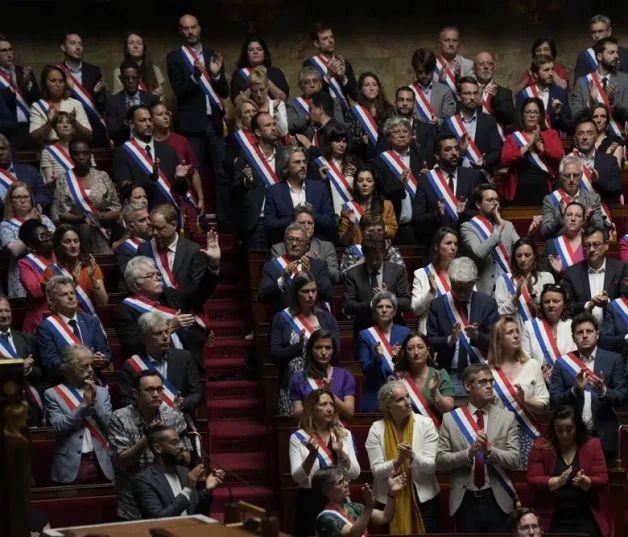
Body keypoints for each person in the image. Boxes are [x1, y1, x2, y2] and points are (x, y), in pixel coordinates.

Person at [436, 363, 520, 533]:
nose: (489, 386)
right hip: (465, 500)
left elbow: (514, 460)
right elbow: (440, 462)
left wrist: (489, 452)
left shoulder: (507, 418)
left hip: (498, 499)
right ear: (467, 386)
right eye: (482, 382)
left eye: (491, 381)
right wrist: (468, 454)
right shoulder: (451, 419)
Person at [114, 235, 220, 367]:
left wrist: (213, 265)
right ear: (136, 285)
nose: (158, 278)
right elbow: (132, 346)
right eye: (150, 275)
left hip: (185, 365)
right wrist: (169, 328)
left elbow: (198, 295)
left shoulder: (169, 295)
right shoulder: (125, 310)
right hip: (150, 370)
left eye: (157, 274)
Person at [166, 14, 231, 231]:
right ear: (180, 32)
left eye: (193, 27)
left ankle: (223, 220)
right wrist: (195, 76)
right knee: (195, 173)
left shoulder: (213, 54)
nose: (190, 32)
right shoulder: (175, 57)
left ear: (199, 29)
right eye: (186, 29)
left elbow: (225, 92)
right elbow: (179, 92)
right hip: (191, 126)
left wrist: (216, 75)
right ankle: (199, 220)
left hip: (213, 123)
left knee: (222, 172)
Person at [108, 370, 193, 521]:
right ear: (135, 393)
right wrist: (146, 440)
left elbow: (186, 458)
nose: (155, 394)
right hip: (132, 504)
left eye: (159, 389)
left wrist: (170, 448)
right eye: (149, 390)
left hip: (169, 499)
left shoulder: (174, 416)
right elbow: (119, 463)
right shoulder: (120, 418)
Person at [550, 312, 628, 465]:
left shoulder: (614, 360)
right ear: (573, 338)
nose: (584, 336)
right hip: (572, 440)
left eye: (589, 331)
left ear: (597, 335)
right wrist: (575, 390)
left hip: (605, 438)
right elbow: (554, 400)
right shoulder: (562, 363)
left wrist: (603, 392)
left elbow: (622, 397)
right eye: (580, 332)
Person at [365, 380, 440, 533]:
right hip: (388, 500)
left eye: (407, 396)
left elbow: (432, 466)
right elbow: (377, 471)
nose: (407, 402)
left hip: (424, 500)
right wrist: (397, 461)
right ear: (388, 406)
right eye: (400, 399)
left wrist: (411, 455)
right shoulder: (376, 429)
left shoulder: (426, 424)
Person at [527, 405, 610, 537]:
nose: (564, 435)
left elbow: (602, 479)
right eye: (559, 430)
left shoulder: (592, 445)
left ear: (577, 427)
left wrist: (586, 481)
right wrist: (557, 481)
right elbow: (532, 480)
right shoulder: (541, 446)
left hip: (585, 514)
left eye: (569, 429)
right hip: (552, 516)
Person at [289, 389, 360, 536]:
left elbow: (354, 473)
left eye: (331, 405)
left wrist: (341, 452)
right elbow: (297, 478)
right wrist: (311, 456)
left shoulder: (344, 434)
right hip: (310, 500)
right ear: (312, 408)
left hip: (339, 499)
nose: (329, 409)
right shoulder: (298, 437)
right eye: (323, 405)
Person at [270, 271, 339, 416]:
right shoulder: (282, 318)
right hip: (291, 388)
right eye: (305, 291)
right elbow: (274, 354)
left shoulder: (327, 319)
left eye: (314, 291)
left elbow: (337, 355)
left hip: (321, 388)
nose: (311, 295)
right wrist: (298, 347)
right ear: (296, 293)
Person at [427, 257, 499, 394]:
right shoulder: (438, 305)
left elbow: (497, 342)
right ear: (451, 282)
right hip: (449, 374)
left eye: (466, 289)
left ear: (473, 283)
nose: (461, 293)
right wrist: (450, 340)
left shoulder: (488, 303)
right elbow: (430, 341)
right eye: (457, 288)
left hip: (481, 375)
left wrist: (477, 336)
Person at [43, 344, 113, 484]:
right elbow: (59, 427)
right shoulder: (53, 394)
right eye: (84, 366)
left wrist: (96, 402)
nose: (90, 370)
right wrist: (83, 405)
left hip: (101, 462)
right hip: (70, 465)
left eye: (91, 365)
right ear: (69, 368)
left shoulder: (102, 392)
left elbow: (111, 426)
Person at [487, 317, 549, 468]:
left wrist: (525, 401)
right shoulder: (486, 370)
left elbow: (544, 405)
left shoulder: (532, 365)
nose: (516, 336)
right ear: (499, 339)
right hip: (498, 435)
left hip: (527, 432)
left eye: (517, 331)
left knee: (526, 483)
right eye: (509, 332)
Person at [460, 183, 540, 295]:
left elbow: (520, 249)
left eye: (497, 199)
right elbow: (479, 253)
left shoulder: (508, 225)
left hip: (510, 284)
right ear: (478, 204)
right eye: (490, 200)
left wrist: (530, 234)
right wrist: (499, 227)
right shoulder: (468, 227)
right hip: (486, 289)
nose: (495, 203)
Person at [132, 425, 224, 519]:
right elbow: (158, 518)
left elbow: (199, 514)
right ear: (158, 448)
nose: (181, 446)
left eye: (179, 441)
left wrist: (207, 491)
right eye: (174, 443)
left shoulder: (184, 472)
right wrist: (187, 489)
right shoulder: (143, 479)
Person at [120, 311, 202, 413]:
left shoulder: (185, 357)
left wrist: (179, 404)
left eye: (167, 331)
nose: (166, 337)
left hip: (181, 419)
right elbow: (127, 400)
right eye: (158, 333)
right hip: (147, 424)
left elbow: (197, 395)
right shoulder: (131, 365)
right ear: (144, 338)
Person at [111, 104, 191, 209]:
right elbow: (126, 189)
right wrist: (152, 178)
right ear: (131, 124)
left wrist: (180, 179)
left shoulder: (168, 151)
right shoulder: (122, 152)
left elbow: (181, 191)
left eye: (150, 120)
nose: (148, 124)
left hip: (169, 214)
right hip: (142, 215)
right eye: (143, 120)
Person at [344, 235, 410, 355]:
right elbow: (348, 306)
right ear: (363, 253)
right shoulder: (353, 274)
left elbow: (406, 303)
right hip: (365, 334)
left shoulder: (397, 271)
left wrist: (389, 297)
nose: (374, 262)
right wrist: (371, 304)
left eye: (378, 258)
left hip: (394, 333)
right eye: (370, 258)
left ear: (384, 253)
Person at [413, 134, 485, 243]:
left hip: (468, 244)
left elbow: (485, 213)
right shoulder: (426, 180)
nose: (454, 153)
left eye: (456, 148)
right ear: (437, 155)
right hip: (437, 244)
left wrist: (464, 213)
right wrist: (436, 214)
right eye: (448, 150)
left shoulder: (473, 176)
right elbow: (417, 219)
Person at [54, 138, 121, 254]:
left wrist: (100, 216)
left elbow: (117, 209)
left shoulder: (102, 176)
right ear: (70, 155)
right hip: (76, 236)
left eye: (85, 153)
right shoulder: (63, 179)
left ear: (90, 155)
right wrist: (82, 218)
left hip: (102, 233)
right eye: (76, 153)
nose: (81, 157)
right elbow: (62, 214)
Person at [37, 276, 110, 382]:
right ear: (52, 301)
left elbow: (106, 353)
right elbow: (50, 362)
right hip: (66, 388)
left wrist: (101, 360)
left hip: (94, 382)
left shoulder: (91, 321)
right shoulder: (46, 327)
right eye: (64, 294)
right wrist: (82, 363)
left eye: (72, 293)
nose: (70, 297)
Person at [264, 146, 336, 245]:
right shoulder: (274, 191)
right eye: (297, 162)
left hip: (316, 246)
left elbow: (331, 221)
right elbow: (269, 225)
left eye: (304, 162)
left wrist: (312, 214)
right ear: (285, 168)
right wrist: (294, 217)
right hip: (285, 246)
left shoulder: (319, 188)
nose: (302, 165)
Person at [371, 116, 426, 244]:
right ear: (389, 137)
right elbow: (380, 194)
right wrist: (399, 186)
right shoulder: (379, 162)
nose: (401, 135)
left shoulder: (422, 156)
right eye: (396, 132)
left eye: (405, 131)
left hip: (420, 227)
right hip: (393, 226)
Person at [233, 111, 283, 249]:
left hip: (282, 220)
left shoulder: (285, 155)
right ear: (258, 132)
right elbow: (235, 190)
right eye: (268, 125)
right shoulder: (247, 156)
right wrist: (246, 182)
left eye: (274, 124)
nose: (273, 128)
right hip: (257, 222)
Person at [500, 97, 563, 205]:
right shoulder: (513, 137)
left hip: (544, 186)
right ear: (522, 115)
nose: (532, 115)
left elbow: (558, 155)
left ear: (540, 115)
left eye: (535, 112)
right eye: (528, 112)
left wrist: (538, 144)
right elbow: (505, 159)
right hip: (519, 187)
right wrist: (528, 145)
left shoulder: (551, 134)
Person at [258, 223, 332, 313]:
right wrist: (283, 279)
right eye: (290, 239)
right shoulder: (271, 267)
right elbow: (262, 297)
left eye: (299, 241)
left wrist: (310, 274)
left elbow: (328, 295)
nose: (294, 244)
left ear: (307, 245)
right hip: (285, 322)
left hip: (313, 320)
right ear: (284, 242)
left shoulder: (319, 265)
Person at [312, 466, 404, 537]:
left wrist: (392, 493)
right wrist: (368, 506)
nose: (346, 483)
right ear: (326, 491)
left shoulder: (354, 507)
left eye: (345, 479)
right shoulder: (326, 518)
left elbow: (385, 517)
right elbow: (353, 535)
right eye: (340, 482)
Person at [357, 291, 411, 412]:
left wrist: (399, 358)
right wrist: (377, 358)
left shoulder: (405, 333)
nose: (384, 310)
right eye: (380, 307)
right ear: (375, 311)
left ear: (394, 311)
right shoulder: (365, 335)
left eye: (388, 307)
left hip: (401, 391)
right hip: (375, 393)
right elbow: (365, 370)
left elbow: (412, 367)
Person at [150, 102, 205, 217]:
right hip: (160, 198)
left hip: (183, 197)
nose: (165, 117)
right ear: (151, 120)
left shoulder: (181, 141)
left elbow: (194, 172)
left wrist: (201, 198)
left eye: (167, 113)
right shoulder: (147, 144)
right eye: (160, 114)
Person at [0, 182, 54, 298]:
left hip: (47, 269)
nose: (22, 200)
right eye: (17, 197)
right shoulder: (6, 225)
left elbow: (55, 242)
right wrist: (32, 225)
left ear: (31, 198)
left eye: (25, 196)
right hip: (21, 275)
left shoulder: (43, 219)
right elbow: (15, 251)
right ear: (11, 200)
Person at [440, 76, 503, 174]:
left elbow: (497, 151)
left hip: (482, 177)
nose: (472, 98)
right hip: (458, 176)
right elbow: (442, 155)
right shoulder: (449, 124)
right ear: (458, 96)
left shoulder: (489, 121)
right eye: (467, 93)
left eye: (475, 93)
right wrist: (459, 151)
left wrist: (484, 162)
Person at [137, 204, 208, 291]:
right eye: (153, 227)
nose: (155, 233)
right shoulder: (144, 249)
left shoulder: (193, 251)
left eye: (159, 228)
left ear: (174, 225)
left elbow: (198, 289)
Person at [42, 224, 109, 314]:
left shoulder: (91, 267)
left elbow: (103, 304)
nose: (73, 245)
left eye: (76, 241)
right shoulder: (51, 271)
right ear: (59, 246)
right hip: (67, 323)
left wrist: (92, 278)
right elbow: (52, 307)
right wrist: (74, 284)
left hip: (89, 322)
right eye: (67, 242)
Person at [563, 225, 623, 324]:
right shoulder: (572, 273)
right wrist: (588, 305)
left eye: (596, 244)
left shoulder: (621, 269)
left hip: (614, 335)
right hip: (583, 334)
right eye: (587, 245)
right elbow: (567, 306)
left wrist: (608, 302)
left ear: (606, 245)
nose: (591, 250)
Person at [57, 32, 108, 148]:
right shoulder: (57, 72)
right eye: (73, 43)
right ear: (63, 47)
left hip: (93, 126)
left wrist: (98, 95)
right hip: (68, 126)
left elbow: (103, 105)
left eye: (80, 44)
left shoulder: (94, 71)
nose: (78, 47)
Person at [289, 328, 353, 421]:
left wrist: (329, 394)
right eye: (318, 347)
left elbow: (349, 413)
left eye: (328, 348)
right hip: (310, 432)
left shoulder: (345, 376)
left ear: (333, 350)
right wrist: (316, 399)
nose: (323, 352)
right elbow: (297, 417)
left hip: (338, 432)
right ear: (311, 350)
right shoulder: (299, 379)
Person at [393, 331, 455, 422]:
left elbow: (447, 410)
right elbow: (391, 411)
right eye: (410, 348)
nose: (416, 352)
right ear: (405, 353)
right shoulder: (398, 378)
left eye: (420, 347)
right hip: (406, 431)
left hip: (435, 432)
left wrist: (434, 392)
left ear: (427, 351)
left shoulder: (440, 375)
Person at [0, 295, 43, 425]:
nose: (4, 315)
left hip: (29, 404)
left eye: (7, 311)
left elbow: (42, 373)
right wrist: (17, 370)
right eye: (0, 311)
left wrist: (28, 370)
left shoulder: (26, 339)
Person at [495, 237, 555, 329]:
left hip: (543, 334)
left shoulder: (547, 277)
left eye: (527, 255)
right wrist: (516, 295)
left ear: (534, 255)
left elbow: (551, 309)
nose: (523, 259)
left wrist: (533, 294)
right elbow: (501, 312)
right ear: (514, 258)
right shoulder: (503, 280)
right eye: (519, 256)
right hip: (516, 336)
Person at [271, 206, 339, 284]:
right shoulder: (278, 249)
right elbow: (275, 278)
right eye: (302, 223)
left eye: (310, 223)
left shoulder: (326, 247)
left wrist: (319, 265)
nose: (306, 227)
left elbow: (335, 276)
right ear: (292, 225)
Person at [520, 284, 577, 378]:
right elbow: (525, 360)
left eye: (556, 301)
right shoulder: (530, 326)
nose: (551, 305)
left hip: (568, 379)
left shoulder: (573, 325)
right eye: (546, 301)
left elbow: (577, 358)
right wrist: (539, 374)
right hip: (538, 380)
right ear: (541, 304)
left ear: (565, 304)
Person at [541, 155, 604, 240]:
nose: (571, 179)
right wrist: (561, 217)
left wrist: (590, 220)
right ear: (560, 176)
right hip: (563, 248)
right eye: (567, 175)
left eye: (575, 175)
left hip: (586, 247)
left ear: (581, 175)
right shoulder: (550, 200)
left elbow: (601, 228)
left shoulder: (593, 198)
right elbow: (545, 231)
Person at [572, 37, 628, 131]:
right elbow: (574, 117)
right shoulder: (582, 82)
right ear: (599, 56)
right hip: (590, 139)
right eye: (611, 52)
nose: (616, 56)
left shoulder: (625, 80)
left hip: (619, 138)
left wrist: (614, 102)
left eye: (617, 52)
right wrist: (590, 103)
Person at [570, 116, 623, 215]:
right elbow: (557, 191)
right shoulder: (567, 161)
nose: (585, 137)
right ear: (575, 138)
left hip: (601, 217)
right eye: (581, 133)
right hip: (574, 219)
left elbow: (617, 189)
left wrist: (597, 181)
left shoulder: (610, 161)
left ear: (596, 136)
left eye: (589, 133)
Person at [309, 123, 362, 219]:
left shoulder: (355, 162)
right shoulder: (316, 165)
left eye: (344, 141)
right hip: (332, 218)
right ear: (329, 142)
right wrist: (322, 181)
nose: (342, 145)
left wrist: (359, 177)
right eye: (337, 141)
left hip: (354, 217)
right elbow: (313, 196)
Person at [29, 65, 91, 145]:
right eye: (53, 80)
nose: (58, 85)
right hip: (50, 150)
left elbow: (88, 134)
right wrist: (49, 123)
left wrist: (74, 122)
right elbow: (34, 137)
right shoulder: (37, 106)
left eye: (61, 81)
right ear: (45, 83)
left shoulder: (75, 104)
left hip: (73, 149)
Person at [412, 227, 458, 333]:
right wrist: (431, 292)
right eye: (448, 243)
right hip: (431, 333)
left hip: (456, 333)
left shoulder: (463, 272)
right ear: (437, 247)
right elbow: (416, 310)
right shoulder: (422, 274)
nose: (453, 247)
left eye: (455, 244)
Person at [338, 164, 397, 246]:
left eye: (369, 181)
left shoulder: (386, 205)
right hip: (357, 254)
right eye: (360, 180)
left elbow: (393, 234)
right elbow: (343, 241)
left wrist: (383, 228)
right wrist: (351, 226)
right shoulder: (348, 208)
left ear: (374, 185)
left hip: (379, 253)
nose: (364, 184)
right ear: (356, 184)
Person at [302, 23, 358, 108]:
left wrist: (343, 78)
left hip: (346, 113)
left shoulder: (344, 63)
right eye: (325, 38)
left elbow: (356, 96)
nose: (330, 41)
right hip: (325, 114)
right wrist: (328, 76)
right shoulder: (310, 64)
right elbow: (311, 94)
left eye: (331, 37)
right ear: (317, 43)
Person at [514, 55, 573, 135]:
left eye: (552, 69)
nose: (551, 73)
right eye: (546, 70)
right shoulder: (523, 95)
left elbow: (567, 126)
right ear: (535, 74)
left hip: (553, 142)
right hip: (530, 143)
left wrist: (557, 114)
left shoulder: (560, 93)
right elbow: (518, 125)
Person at [0, 35, 40, 149]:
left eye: (10, 49)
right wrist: (12, 88)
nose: (9, 54)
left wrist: (29, 86)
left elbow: (38, 99)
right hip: (9, 131)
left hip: (31, 127)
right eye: (3, 51)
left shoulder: (22, 71)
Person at [105, 59, 158, 146]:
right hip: (124, 147)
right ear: (121, 79)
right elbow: (112, 133)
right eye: (126, 78)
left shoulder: (150, 99)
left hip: (149, 146)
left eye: (134, 77)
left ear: (139, 78)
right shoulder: (112, 101)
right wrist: (126, 120)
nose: (130, 81)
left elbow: (156, 127)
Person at [17, 219, 56, 332]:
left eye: (48, 234)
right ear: (32, 244)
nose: (48, 238)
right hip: (40, 318)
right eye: (42, 236)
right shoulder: (26, 263)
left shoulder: (60, 256)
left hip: (63, 312)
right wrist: (56, 279)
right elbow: (35, 291)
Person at [346, 71, 394, 160]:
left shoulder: (389, 109)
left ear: (379, 88)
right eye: (367, 85)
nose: (371, 88)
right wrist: (361, 141)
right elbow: (350, 142)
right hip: (363, 159)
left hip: (387, 158)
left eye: (375, 85)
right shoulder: (354, 112)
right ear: (361, 89)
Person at [286, 67, 345, 141]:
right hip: (305, 146)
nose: (312, 85)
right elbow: (290, 126)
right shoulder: (293, 104)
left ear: (320, 84)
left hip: (330, 142)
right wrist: (306, 118)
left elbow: (341, 125)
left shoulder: (334, 102)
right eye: (307, 82)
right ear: (301, 86)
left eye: (315, 81)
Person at [0, 133, 52, 214]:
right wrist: (10, 206)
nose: (0, 153)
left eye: (3, 148)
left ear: (9, 149)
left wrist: (24, 203)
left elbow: (45, 196)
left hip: (31, 220)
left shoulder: (29, 171)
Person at [339, 213, 406, 277]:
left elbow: (403, 274)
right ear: (362, 231)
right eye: (371, 231)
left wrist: (385, 254)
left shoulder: (391, 250)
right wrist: (367, 257)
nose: (375, 233)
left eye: (379, 230)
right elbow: (344, 275)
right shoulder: (353, 251)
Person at [230, 36, 289, 104]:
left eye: (259, 49)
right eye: (251, 50)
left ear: (265, 53)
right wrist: (254, 84)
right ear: (246, 54)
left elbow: (283, 99)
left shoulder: (276, 72)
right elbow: (237, 102)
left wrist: (265, 78)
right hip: (250, 113)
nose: (255, 52)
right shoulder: (238, 74)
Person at [573, 14, 628, 82]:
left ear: (609, 31)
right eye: (593, 32)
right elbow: (579, 85)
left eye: (600, 31)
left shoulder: (623, 54)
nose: (597, 35)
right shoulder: (584, 56)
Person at [410, 48, 456, 124]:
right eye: (420, 72)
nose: (423, 76)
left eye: (427, 72)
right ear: (415, 70)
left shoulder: (445, 91)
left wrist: (438, 122)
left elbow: (450, 123)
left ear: (433, 69)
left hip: (437, 134)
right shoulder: (408, 92)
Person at [112, 32, 165, 97]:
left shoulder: (155, 69)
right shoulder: (118, 71)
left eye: (139, 43)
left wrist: (156, 96)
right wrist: (149, 97)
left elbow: (162, 100)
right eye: (131, 43)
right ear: (126, 48)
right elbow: (117, 99)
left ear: (144, 47)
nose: (136, 46)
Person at [542, 201, 586, 278]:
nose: (573, 219)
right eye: (569, 215)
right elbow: (544, 277)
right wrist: (556, 272)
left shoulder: (589, 244)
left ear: (583, 221)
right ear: (563, 219)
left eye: (578, 216)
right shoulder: (551, 245)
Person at [473, 52, 516, 132]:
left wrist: (497, 99)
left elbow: (510, 119)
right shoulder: (468, 92)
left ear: (493, 68)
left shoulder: (504, 92)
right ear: (474, 69)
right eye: (481, 64)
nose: (486, 67)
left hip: (497, 139)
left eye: (489, 64)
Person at [114, 203, 151, 283]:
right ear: (131, 227)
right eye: (142, 220)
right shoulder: (123, 251)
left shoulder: (159, 241)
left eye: (149, 218)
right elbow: (131, 279)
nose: (149, 222)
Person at [247, 68, 288, 136]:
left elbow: (283, 132)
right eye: (254, 91)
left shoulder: (278, 104)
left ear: (267, 87)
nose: (259, 94)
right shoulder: (249, 107)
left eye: (262, 89)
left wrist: (275, 110)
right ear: (250, 91)